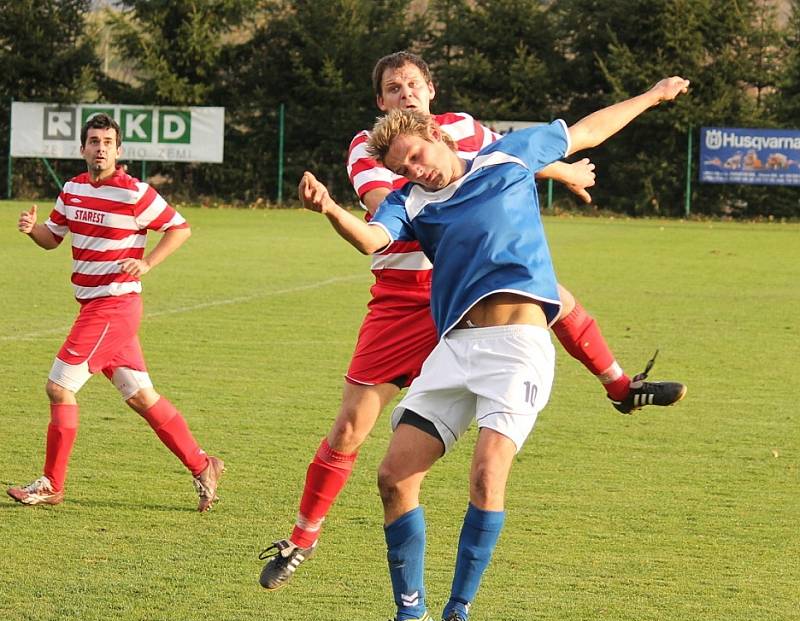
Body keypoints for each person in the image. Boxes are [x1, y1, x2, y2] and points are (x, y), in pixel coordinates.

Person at [258, 52, 685, 589]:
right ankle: (303, 538)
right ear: (380, 103)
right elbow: (394, 205)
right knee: (350, 427)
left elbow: (511, 154)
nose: (405, 93)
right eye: (393, 88)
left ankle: (621, 387)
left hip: (462, 282)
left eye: (413, 84)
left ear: (431, 92)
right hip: (400, 297)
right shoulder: (373, 151)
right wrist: (335, 207)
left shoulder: (462, 128)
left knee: (550, 295)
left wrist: (564, 169)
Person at [7, 113, 224, 512]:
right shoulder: (71, 189)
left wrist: (147, 263)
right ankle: (203, 464)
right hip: (93, 306)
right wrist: (30, 230)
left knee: (59, 386)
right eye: (94, 141)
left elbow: (180, 228)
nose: (101, 148)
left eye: (108, 142)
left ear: (118, 150)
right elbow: (52, 238)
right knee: (141, 397)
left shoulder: (133, 192)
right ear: (83, 149)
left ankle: (52, 484)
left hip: (115, 305)